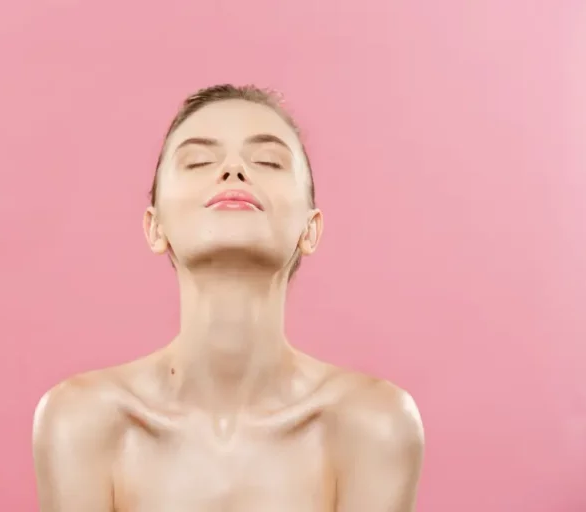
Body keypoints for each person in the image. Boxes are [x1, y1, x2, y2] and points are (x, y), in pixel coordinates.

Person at [32, 84, 425, 512]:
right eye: (198, 160)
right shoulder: (81, 422)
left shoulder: (374, 425)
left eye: (269, 161)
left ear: (310, 229)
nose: (233, 169)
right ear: (154, 226)